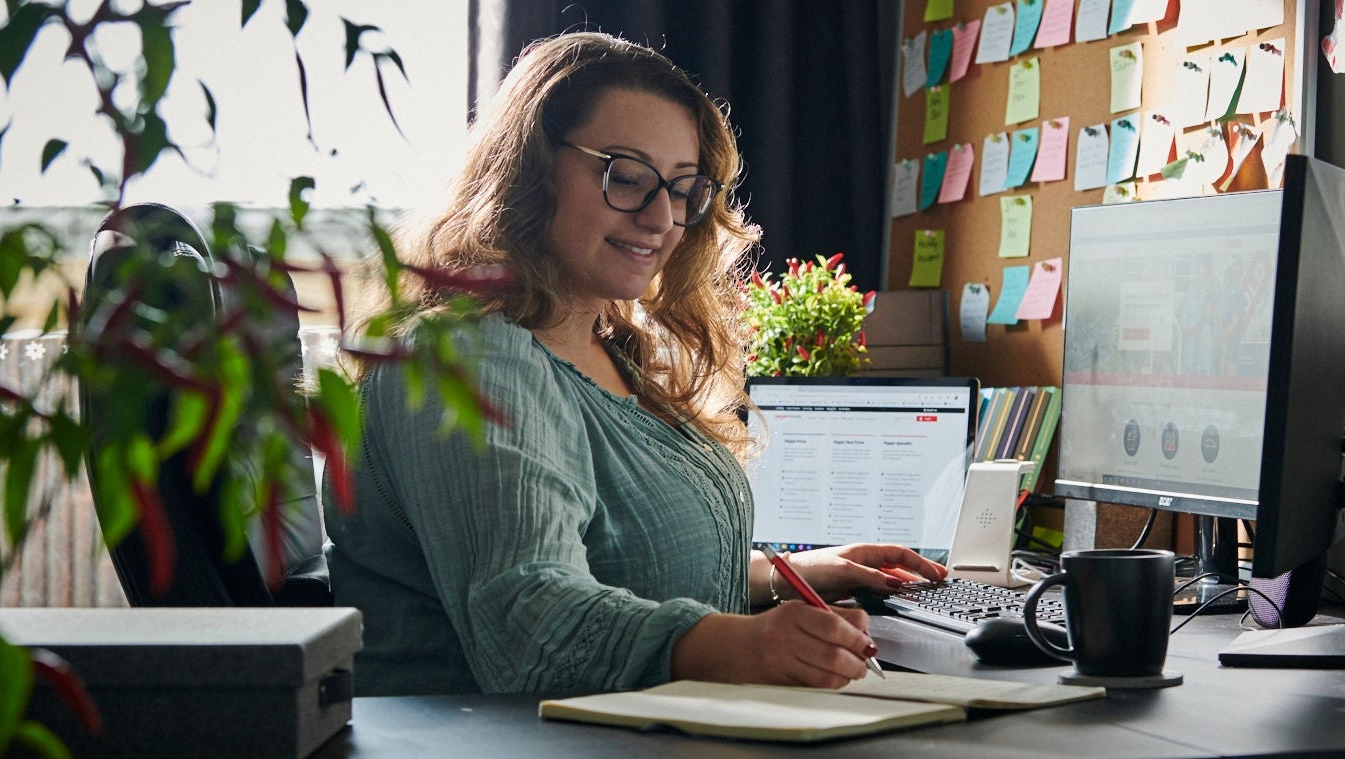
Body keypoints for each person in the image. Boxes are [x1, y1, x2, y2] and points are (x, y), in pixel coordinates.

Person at [322, 30, 947, 697]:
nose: (661, 218)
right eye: (625, 176)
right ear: (530, 169)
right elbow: (533, 622)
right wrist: (746, 641)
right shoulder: (469, 358)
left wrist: (786, 571)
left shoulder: (610, 345)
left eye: (682, 189)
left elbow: (625, 562)